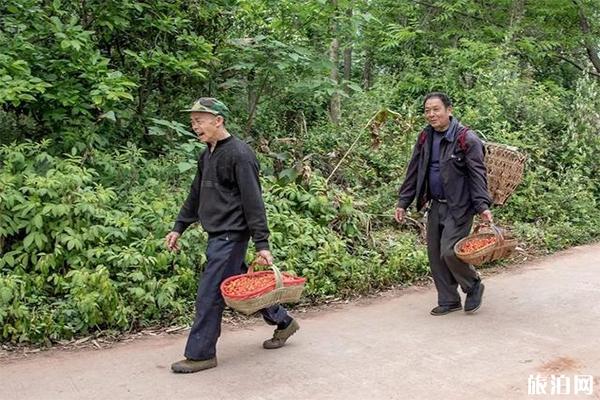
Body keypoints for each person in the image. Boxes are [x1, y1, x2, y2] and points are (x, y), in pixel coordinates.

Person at [166, 97, 299, 373]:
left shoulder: (240, 154)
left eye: (199, 121)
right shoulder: (207, 154)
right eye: (192, 121)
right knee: (244, 286)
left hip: (230, 236)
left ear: (218, 120)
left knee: (210, 294)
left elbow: (253, 202)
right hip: (217, 234)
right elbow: (196, 195)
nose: (195, 126)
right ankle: (284, 322)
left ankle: (201, 354)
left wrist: (262, 242)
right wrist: (179, 226)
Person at [394, 92, 492, 316]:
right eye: (427, 110)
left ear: (449, 110)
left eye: (436, 109)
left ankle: (473, 284)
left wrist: (483, 206)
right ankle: (449, 299)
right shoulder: (425, 137)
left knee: (450, 251)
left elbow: (478, 175)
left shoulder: (467, 139)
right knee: (435, 254)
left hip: (460, 205)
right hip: (436, 204)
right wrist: (403, 202)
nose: (431, 114)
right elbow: (414, 171)